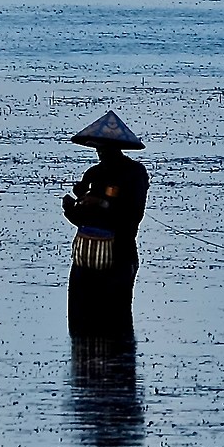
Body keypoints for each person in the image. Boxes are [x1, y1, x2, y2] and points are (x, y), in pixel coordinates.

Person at [63, 110, 149, 332]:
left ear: (117, 148)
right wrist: (72, 209)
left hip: (119, 256)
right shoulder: (94, 174)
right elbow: (80, 219)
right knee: (81, 319)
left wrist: (101, 204)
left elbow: (133, 215)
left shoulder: (134, 173)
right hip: (86, 258)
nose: (100, 152)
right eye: (98, 148)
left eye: (105, 148)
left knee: (115, 318)